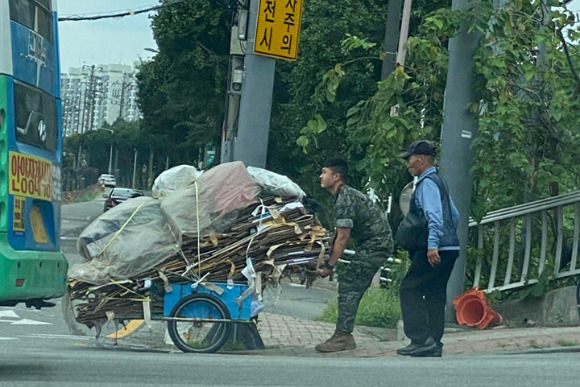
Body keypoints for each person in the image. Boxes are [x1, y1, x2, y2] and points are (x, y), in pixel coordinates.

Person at [315, 157, 394, 352]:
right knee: (351, 283)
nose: (321, 176)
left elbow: (343, 237)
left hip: (376, 244)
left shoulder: (346, 198)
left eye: (324, 172)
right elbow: (338, 234)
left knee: (350, 284)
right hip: (372, 243)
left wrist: (330, 266)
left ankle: (343, 336)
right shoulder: (343, 196)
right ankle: (342, 333)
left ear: (336, 176)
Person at [396, 140, 460, 357]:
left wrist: (433, 245)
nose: (408, 164)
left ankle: (420, 339)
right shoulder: (440, 182)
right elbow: (455, 215)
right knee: (434, 293)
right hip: (450, 247)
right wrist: (447, 239)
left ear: (421, 159)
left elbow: (434, 217)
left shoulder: (427, 184)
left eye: (410, 159)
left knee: (409, 288)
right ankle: (434, 342)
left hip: (434, 249)